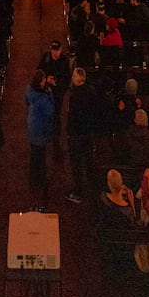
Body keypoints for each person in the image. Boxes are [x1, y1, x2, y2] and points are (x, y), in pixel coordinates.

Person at [65, 67, 95, 203]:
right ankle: (92, 188)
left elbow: (72, 116)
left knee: (76, 163)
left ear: (77, 80)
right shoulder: (91, 91)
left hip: (77, 134)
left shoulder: (75, 96)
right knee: (88, 160)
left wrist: (68, 132)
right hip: (88, 133)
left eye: (73, 76)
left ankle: (78, 191)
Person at [25, 68, 55, 199]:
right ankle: (38, 179)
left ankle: (33, 177)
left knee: (34, 154)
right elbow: (50, 111)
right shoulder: (42, 98)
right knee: (40, 155)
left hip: (33, 125)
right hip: (41, 129)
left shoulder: (29, 90)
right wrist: (50, 93)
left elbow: (26, 101)